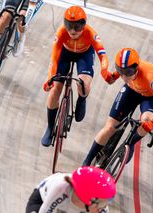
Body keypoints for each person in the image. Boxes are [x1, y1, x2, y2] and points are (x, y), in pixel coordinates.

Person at [41, 6, 118, 146]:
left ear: (83, 25)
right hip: (65, 54)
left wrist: (105, 71)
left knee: (83, 83)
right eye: (69, 26)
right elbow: (54, 58)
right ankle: (50, 127)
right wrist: (49, 79)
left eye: (77, 27)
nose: (72, 31)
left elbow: (102, 54)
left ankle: (81, 100)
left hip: (84, 55)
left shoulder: (90, 33)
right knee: (54, 91)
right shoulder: (61, 33)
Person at [82, 48, 153, 166]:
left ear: (136, 68)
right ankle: (87, 161)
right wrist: (106, 73)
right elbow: (112, 79)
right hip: (132, 90)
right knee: (109, 128)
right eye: (121, 71)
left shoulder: (150, 78)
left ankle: (131, 143)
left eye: (128, 72)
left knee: (146, 121)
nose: (124, 76)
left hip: (150, 97)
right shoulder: (125, 69)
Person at [26, 166, 116, 213]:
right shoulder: (61, 188)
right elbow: (45, 210)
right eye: (102, 203)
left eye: (107, 202)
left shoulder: (99, 207)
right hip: (41, 200)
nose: (103, 207)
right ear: (86, 198)